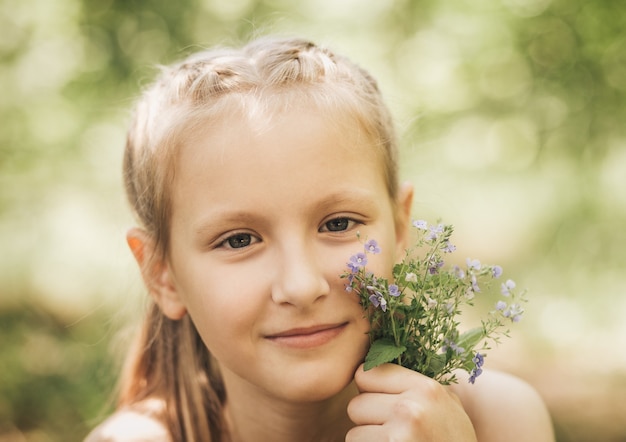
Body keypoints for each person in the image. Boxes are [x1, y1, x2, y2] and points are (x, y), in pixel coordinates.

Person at [85, 36, 554, 442]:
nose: (301, 285)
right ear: (162, 275)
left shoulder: (497, 420)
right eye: (238, 240)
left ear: (399, 228)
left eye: (337, 224)